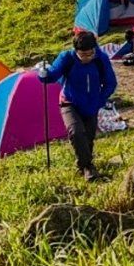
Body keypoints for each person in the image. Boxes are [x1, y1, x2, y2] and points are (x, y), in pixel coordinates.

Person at [35, 30, 118, 181]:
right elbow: (53, 75)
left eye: (89, 54)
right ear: (76, 51)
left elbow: (110, 83)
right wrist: (43, 74)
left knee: (88, 138)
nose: (86, 58)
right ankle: (88, 168)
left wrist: (100, 99)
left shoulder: (101, 59)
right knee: (76, 132)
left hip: (92, 103)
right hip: (69, 102)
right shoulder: (67, 58)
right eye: (82, 55)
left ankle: (83, 165)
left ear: (94, 49)